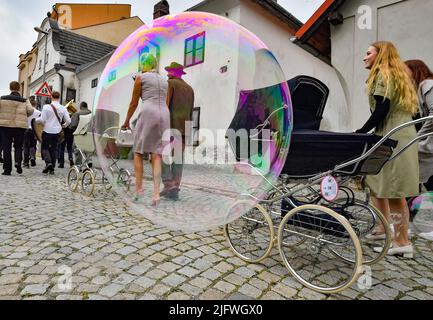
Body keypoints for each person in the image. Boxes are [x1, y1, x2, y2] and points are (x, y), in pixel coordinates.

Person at [355, 41, 420, 257]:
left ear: (379, 55)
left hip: (393, 135)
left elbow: (382, 108)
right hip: (397, 133)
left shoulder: (383, 74)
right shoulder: (395, 75)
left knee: (394, 191)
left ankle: (402, 243)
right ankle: (384, 229)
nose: (364, 57)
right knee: (376, 183)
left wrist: (362, 130)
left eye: (368, 52)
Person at [121, 53, 169, 206]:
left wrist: (127, 121)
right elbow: (165, 101)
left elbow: (133, 103)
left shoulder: (140, 78)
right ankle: (156, 194)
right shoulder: (165, 80)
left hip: (149, 112)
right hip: (164, 114)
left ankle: (139, 189)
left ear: (143, 65)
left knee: (138, 151)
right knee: (156, 155)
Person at [160, 62, 195, 201]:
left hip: (170, 126)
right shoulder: (190, 89)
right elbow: (191, 112)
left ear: (173, 73)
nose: (167, 74)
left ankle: (168, 183)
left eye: (169, 71)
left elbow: (165, 105)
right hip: (184, 128)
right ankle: (175, 188)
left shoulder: (170, 84)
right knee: (178, 159)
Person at [405, 60, 433, 191]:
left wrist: (418, 137)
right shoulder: (422, 87)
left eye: (405, 70)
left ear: (415, 70)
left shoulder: (427, 84)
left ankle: (407, 210)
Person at [0, 81, 35, 175]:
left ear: (10, 88)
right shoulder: (24, 100)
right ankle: (18, 162)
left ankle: (7, 170)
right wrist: (24, 115)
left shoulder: (2, 99)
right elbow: (31, 110)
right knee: (18, 146)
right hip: (20, 126)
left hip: (5, 126)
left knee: (6, 147)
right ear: (19, 88)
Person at [36, 91, 71, 175]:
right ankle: (52, 169)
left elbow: (42, 120)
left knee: (45, 148)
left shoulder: (46, 107)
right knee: (54, 149)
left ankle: (48, 163)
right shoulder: (63, 108)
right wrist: (64, 126)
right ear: (59, 97)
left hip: (47, 130)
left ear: (51, 97)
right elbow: (69, 121)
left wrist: (35, 121)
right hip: (57, 132)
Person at [70, 101, 92, 166]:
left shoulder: (77, 113)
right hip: (89, 135)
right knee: (88, 148)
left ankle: (78, 164)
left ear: (81, 107)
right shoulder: (92, 114)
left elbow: (73, 125)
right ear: (87, 107)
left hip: (79, 134)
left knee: (77, 148)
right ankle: (89, 161)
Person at [23, 96, 41, 168]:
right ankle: (33, 157)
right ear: (35, 104)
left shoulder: (26, 111)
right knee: (33, 145)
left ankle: (26, 163)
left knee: (26, 146)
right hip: (34, 130)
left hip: (26, 129)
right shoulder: (39, 112)